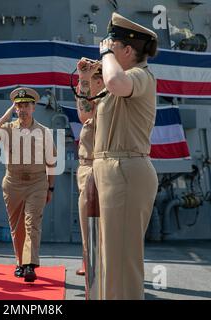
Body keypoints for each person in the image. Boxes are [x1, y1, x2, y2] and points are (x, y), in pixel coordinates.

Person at [91, 12, 159, 299]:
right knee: (110, 257)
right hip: (112, 170)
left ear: (128, 50)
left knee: (122, 259)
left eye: (113, 45)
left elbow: (116, 83)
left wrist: (106, 54)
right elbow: (92, 108)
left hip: (125, 171)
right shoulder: (121, 80)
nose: (107, 50)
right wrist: (87, 77)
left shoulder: (139, 76)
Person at [0, 87, 57, 282]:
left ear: (34, 108)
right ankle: (20, 262)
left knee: (32, 223)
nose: (22, 109)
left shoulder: (44, 132)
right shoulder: (7, 129)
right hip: (13, 183)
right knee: (17, 227)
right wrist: (4, 117)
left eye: (26, 105)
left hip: (37, 183)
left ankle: (30, 265)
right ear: (15, 108)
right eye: (19, 106)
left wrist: (51, 187)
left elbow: (51, 162)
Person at [75, 61, 105, 276]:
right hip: (88, 167)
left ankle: (106, 260)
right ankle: (89, 259)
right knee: (88, 218)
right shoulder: (88, 97)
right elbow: (85, 115)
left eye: (96, 80)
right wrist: (84, 80)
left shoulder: (112, 99)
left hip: (108, 165)